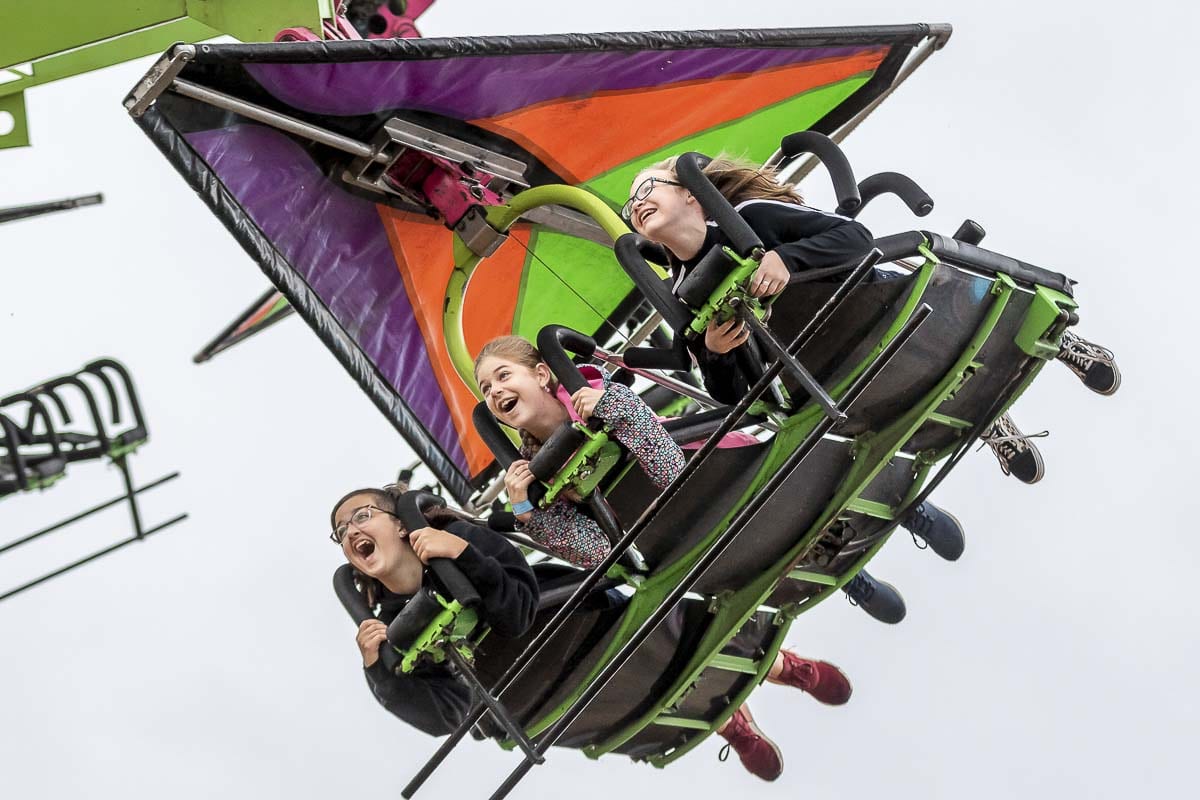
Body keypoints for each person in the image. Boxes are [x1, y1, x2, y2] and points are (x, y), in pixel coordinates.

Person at [474, 335, 856, 780]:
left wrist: (607, 413)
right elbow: (596, 553)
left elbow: (673, 475)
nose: (495, 390)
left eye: (504, 376)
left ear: (541, 374)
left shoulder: (597, 393)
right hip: (661, 545)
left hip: (717, 485)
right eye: (485, 388)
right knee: (658, 614)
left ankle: (802, 642)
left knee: (709, 559)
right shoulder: (534, 474)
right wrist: (527, 509)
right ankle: (748, 700)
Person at [623, 154, 1121, 487]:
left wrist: (786, 260)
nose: (638, 203)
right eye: (629, 204)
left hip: (875, 303)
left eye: (649, 188)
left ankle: (1059, 343)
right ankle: (986, 420)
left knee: (946, 292)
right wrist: (716, 348)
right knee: (889, 387)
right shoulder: (679, 295)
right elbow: (727, 389)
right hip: (824, 364)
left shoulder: (753, 217)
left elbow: (855, 239)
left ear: (691, 193)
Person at [331, 483, 539, 736]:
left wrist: (463, 554)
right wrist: (378, 671)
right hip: (511, 695)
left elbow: (518, 615)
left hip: (553, 624)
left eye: (362, 516)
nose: (350, 531)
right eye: (341, 531)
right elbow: (445, 718)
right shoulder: (392, 631)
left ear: (401, 525)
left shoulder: (460, 536)